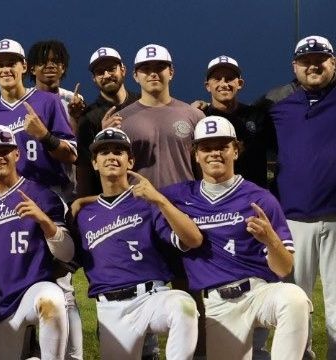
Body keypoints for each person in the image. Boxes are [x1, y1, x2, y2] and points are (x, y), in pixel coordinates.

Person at [162, 116, 310, 359]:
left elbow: (284, 268)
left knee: (294, 299)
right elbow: (135, 193)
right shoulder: (180, 196)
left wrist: (271, 239)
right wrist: (85, 200)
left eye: (223, 146)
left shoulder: (260, 199)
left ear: (236, 151)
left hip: (258, 294)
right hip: (217, 305)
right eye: (206, 148)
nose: (215, 153)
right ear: (195, 155)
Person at [73, 127, 201, 359]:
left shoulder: (149, 202)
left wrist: (161, 200)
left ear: (130, 161)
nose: (111, 156)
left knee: (184, 305)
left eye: (118, 152)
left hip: (152, 297)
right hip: (110, 309)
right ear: (94, 163)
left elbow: (192, 239)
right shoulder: (83, 214)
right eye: (104, 152)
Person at [255, 34, 336, 359]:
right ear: (295, 66)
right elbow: (242, 128)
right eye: (306, 60)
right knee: (295, 299)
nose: (313, 65)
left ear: (333, 63)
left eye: (321, 59)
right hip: (293, 218)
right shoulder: (278, 106)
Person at [0, 125, 72, 359]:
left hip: (33, 290)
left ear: (17, 154)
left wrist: (44, 221)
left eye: (5, 150)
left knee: (52, 299)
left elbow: (67, 253)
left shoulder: (42, 195)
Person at [0, 38, 78, 199]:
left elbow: (71, 155)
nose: (6, 69)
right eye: (0, 65)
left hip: (50, 193)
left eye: (12, 63)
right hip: (11, 197)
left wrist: (44, 136)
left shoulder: (48, 101)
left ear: (24, 67)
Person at [114, 44, 204, 189]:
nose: (153, 73)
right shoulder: (120, 120)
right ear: (135, 76)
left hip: (185, 205)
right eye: (146, 68)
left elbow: (204, 170)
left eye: (159, 67)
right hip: (138, 206)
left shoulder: (195, 116)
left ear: (171, 72)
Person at [191, 56, 274, 188]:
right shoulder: (199, 117)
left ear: (240, 84)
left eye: (229, 78)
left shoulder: (258, 115)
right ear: (208, 86)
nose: (224, 84)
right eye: (217, 79)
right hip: (213, 196)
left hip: (253, 195)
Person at [75, 47, 140, 197]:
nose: (106, 75)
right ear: (94, 79)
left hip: (147, 189)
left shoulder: (142, 102)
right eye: (100, 72)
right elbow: (85, 168)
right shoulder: (89, 117)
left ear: (123, 70)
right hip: (111, 197)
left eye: (111, 69)